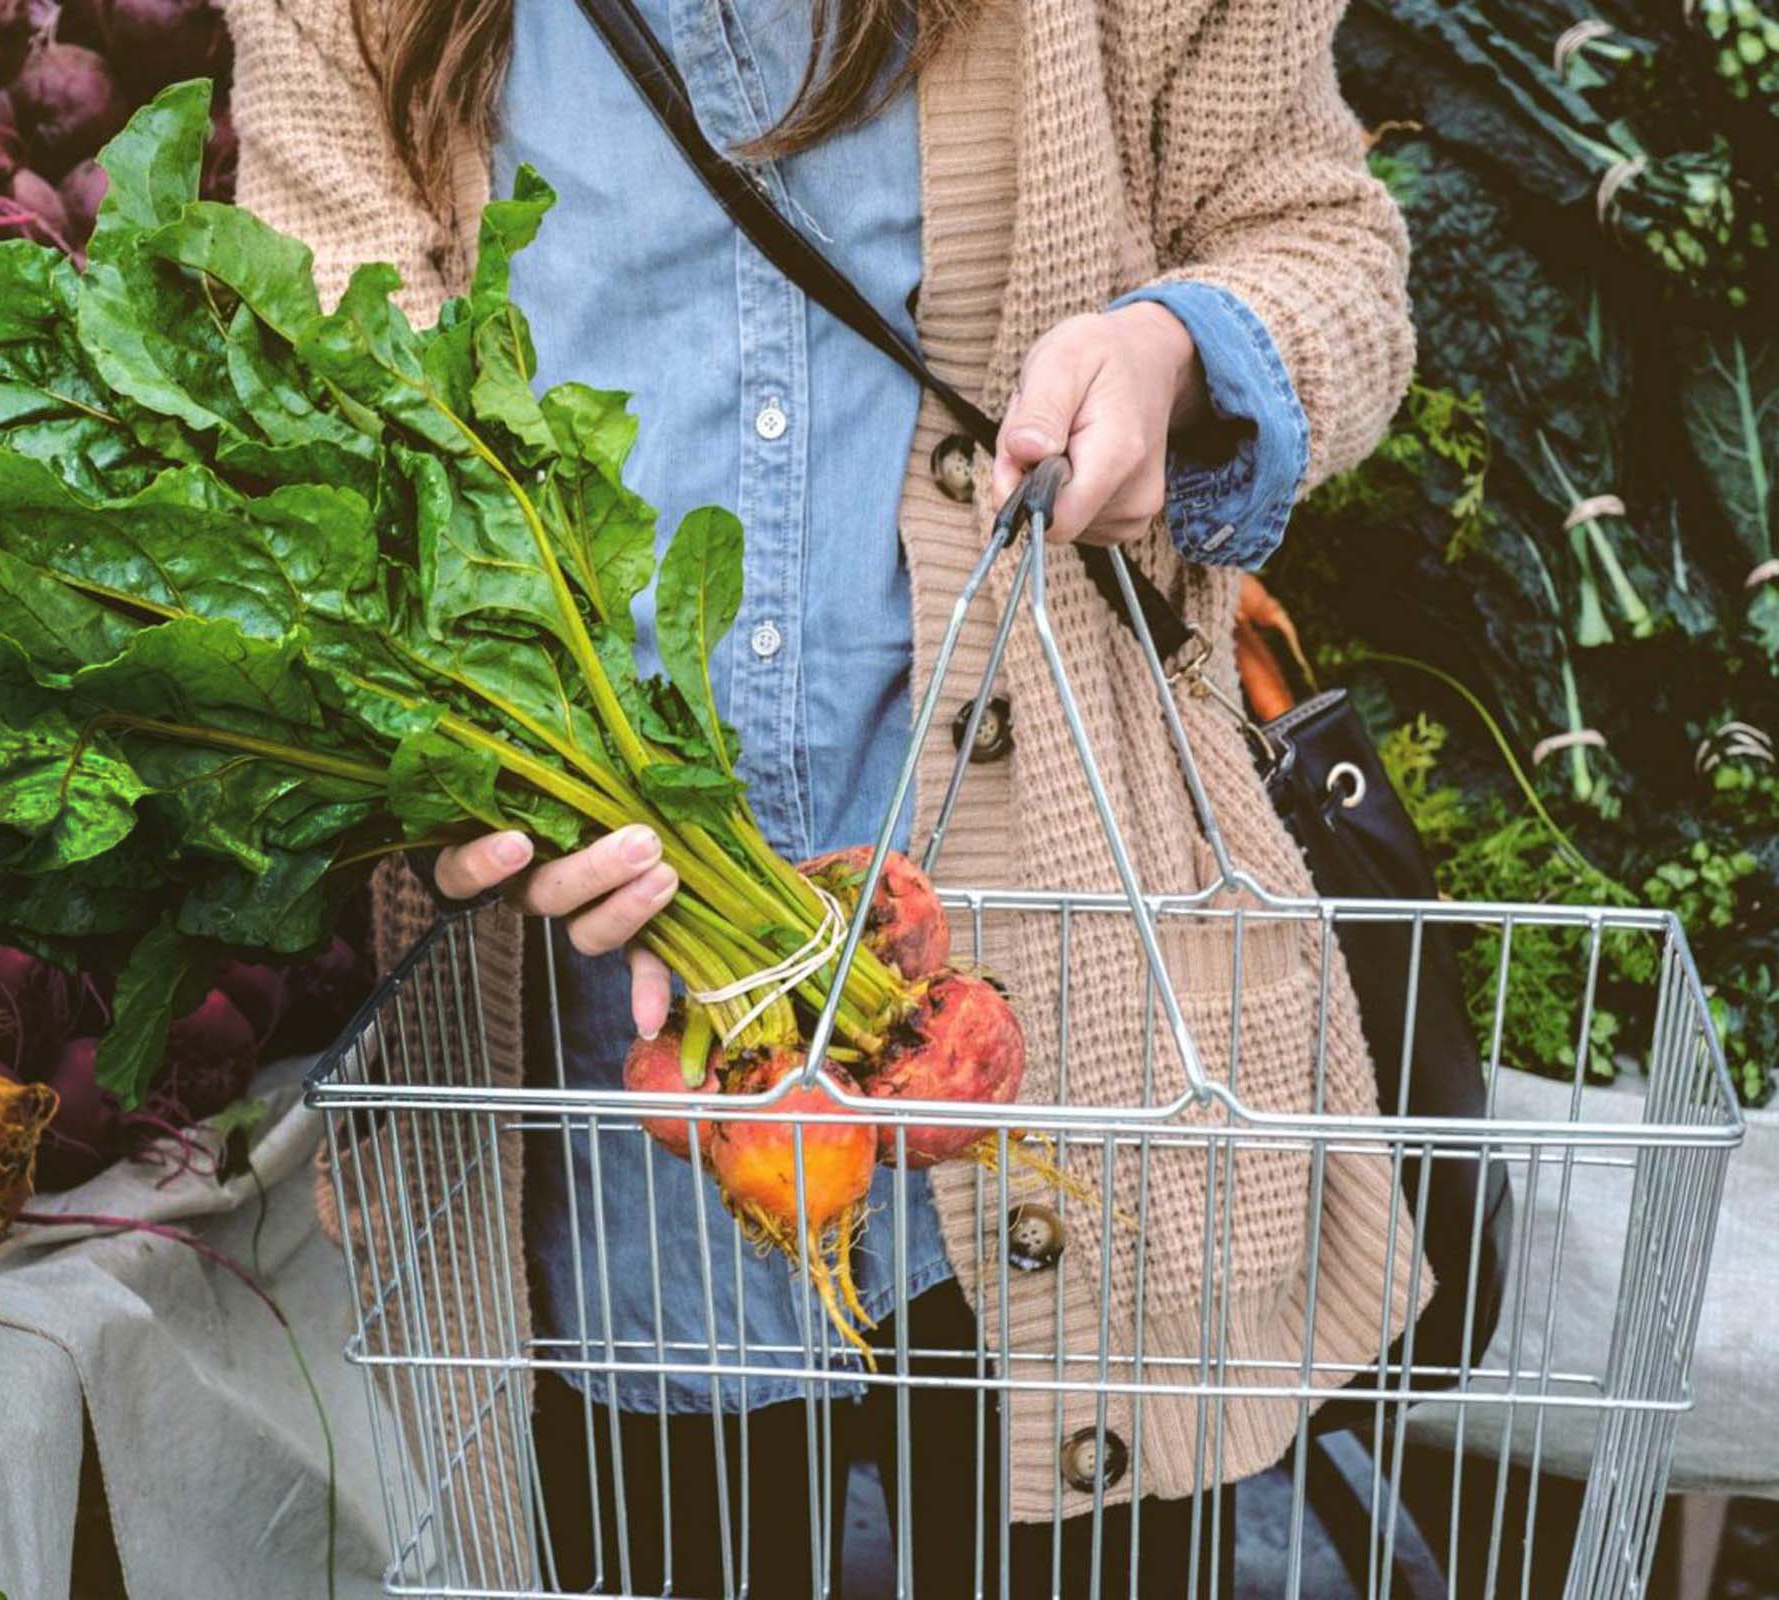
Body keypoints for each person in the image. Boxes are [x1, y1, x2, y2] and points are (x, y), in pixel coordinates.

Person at [232, 0, 1422, 1592]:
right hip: (619, 1051)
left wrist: (1175, 346)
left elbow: (1325, 246)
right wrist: (471, 770)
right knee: (676, 1530)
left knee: (1078, 1507)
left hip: (1064, 994)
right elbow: (316, 396)